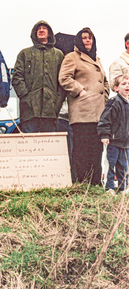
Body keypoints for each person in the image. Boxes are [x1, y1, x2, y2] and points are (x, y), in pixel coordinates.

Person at [59, 27, 109, 185]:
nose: (88, 40)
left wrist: (106, 96)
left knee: (97, 149)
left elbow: (105, 82)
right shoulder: (72, 57)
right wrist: (80, 91)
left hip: (99, 112)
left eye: (90, 38)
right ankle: (81, 182)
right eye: (85, 38)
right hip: (83, 111)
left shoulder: (97, 59)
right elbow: (64, 77)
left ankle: (95, 182)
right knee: (82, 149)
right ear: (79, 40)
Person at [12, 21, 65, 133]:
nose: (41, 30)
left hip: (50, 111)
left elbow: (63, 80)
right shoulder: (25, 53)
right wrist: (26, 97)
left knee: (49, 147)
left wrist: (57, 102)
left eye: (44, 28)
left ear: (49, 33)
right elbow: (17, 77)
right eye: (38, 29)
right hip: (29, 112)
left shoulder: (58, 55)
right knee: (29, 147)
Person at [97, 75, 129, 193]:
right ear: (116, 88)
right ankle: (109, 187)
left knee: (123, 166)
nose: (127, 86)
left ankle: (123, 187)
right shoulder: (114, 102)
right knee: (110, 164)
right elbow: (105, 120)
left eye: (128, 84)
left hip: (125, 143)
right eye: (124, 83)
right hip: (113, 141)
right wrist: (105, 135)